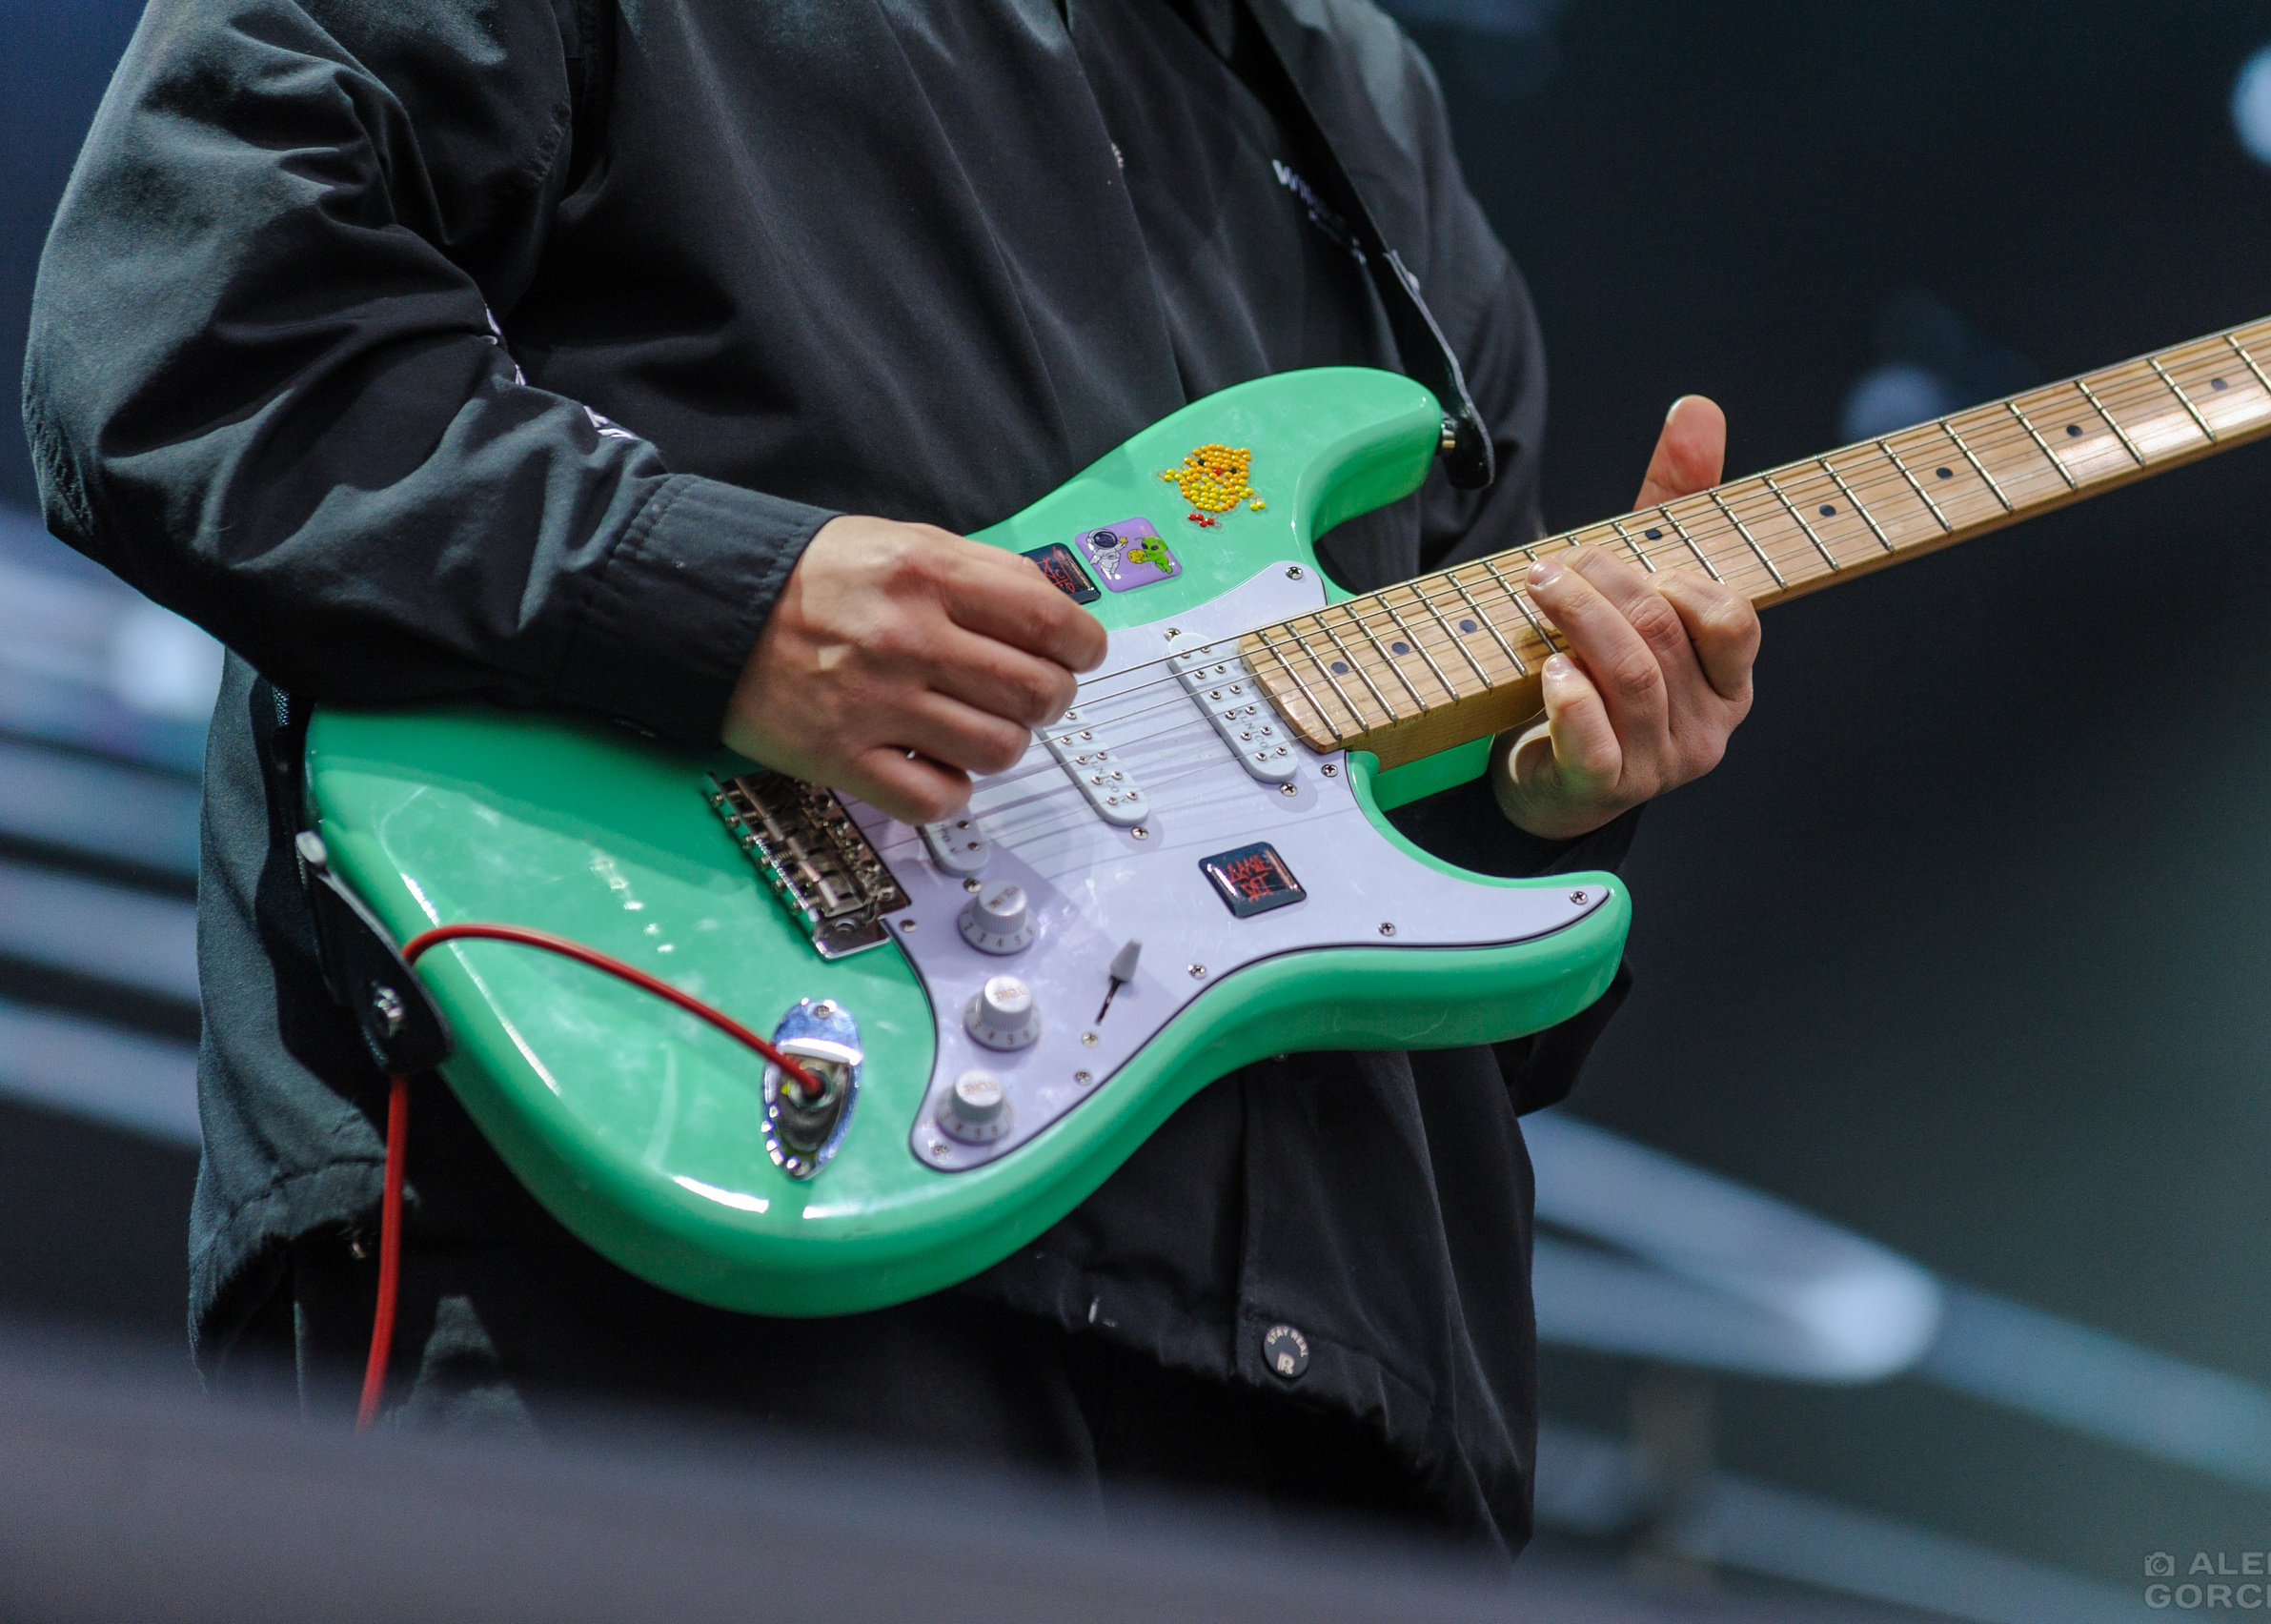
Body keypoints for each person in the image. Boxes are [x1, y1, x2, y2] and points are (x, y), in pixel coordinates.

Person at [23, 0, 1757, 1553]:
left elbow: (1448, 962)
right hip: (678, 1260)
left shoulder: (1365, 102)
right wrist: (719, 601)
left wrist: (1555, 791)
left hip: (1324, 1423)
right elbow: (190, 318)